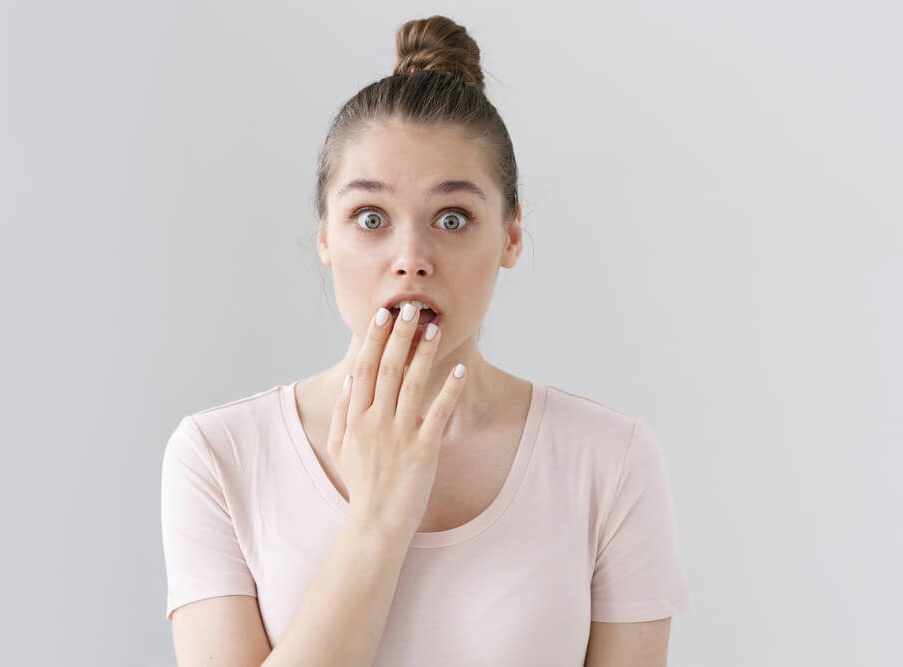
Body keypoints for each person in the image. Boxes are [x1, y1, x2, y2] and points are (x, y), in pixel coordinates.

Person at [161, 14, 691, 667]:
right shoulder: (219, 457)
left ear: (511, 236)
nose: (411, 258)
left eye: (452, 218)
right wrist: (379, 517)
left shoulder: (610, 462)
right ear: (325, 236)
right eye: (371, 218)